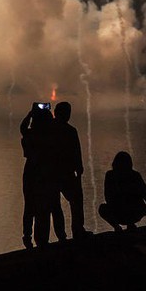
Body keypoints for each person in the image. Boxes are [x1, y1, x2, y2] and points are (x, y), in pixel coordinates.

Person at [20, 103, 63, 248]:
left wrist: (30, 113)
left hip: (31, 173)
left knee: (30, 206)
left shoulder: (30, 135)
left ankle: (28, 237)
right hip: (48, 172)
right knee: (49, 207)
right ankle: (51, 238)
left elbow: (22, 128)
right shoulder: (52, 136)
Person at [50, 101, 91, 239]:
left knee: (56, 206)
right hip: (65, 173)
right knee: (76, 202)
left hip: (53, 173)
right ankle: (77, 230)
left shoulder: (49, 128)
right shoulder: (70, 131)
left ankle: (62, 235)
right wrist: (79, 169)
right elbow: (76, 152)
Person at [98, 151, 146, 231]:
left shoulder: (110, 175)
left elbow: (107, 196)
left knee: (103, 208)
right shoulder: (134, 175)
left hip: (119, 211)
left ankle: (117, 227)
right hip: (135, 211)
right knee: (128, 202)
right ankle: (130, 223)